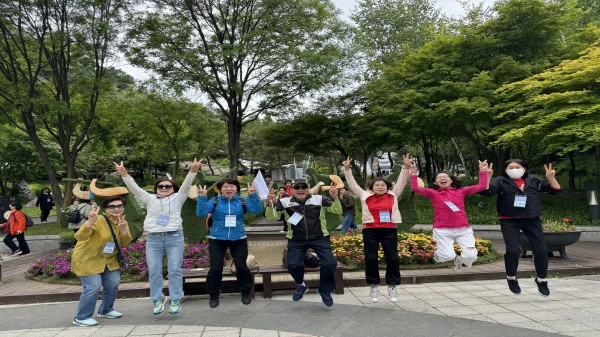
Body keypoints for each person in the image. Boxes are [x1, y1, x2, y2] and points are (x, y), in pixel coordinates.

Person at [115, 158, 201, 315]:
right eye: (160, 186)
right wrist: (125, 174)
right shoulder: (149, 198)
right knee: (154, 270)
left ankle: (175, 298)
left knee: (174, 269)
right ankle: (158, 299)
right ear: (156, 189)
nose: (164, 188)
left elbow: (186, 185)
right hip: (154, 238)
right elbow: (134, 189)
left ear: (172, 188)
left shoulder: (178, 198)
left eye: (167, 186)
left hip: (174, 237)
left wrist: (193, 171)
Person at [479, 159, 561, 297]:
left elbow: (556, 191)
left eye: (518, 167)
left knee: (541, 250)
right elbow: (486, 192)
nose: (515, 169)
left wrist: (551, 178)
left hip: (532, 219)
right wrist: (485, 177)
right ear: (505, 170)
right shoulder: (500, 180)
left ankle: (541, 280)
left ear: (525, 168)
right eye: (511, 167)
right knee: (513, 250)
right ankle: (511, 277)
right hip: (509, 220)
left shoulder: (533, 180)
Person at [343, 155, 411, 303]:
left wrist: (405, 168)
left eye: (383, 185)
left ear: (387, 187)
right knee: (371, 258)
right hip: (370, 230)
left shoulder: (393, 195)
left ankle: (392, 286)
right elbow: (353, 184)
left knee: (392, 258)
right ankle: (374, 285)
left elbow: (401, 182)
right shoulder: (364, 195)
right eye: (377, 185)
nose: (380, 187)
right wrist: (347, 169)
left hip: (389, 230)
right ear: (371, 187)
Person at [265, 178, 342, 307]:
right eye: (297, 187)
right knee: (293, 264)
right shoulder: (284, 202)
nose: (300, 190)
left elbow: (337, 211)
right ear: (292, 189)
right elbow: (271, 217)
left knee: (330, 263)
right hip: (296, 239)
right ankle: (301, 285)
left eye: (303, 187)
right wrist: (270, 204)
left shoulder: (319, 199)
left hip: (319, 237)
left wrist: (335, 198)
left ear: (308, 188)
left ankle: (324, 290)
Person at [409, 160, 490, 273]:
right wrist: (413, 175)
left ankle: (458, 260)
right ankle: (437, 255)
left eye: (446, 176)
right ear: (435, 182)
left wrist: (483, 171)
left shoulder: (461, 191)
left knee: (471, 256)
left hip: (463, 230)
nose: (443, 178)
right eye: (439, 177)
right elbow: (415, 188)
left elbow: (481, 186)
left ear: (451, 180)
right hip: (442, 230)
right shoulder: (433, 193)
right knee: (447, 256)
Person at [196, 179, 263, 308]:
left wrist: (253, 195)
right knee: (215, 268)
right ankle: (214, 294)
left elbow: (257, 209)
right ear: (220, 189)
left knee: (242, 267)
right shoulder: (215, 201)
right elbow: (201, 212)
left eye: (232, 186)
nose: (229, 189)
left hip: (238, 238)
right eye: (226, 187)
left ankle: (245, 292)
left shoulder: (242, 201)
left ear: (236, 189)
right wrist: (202, 197)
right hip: (217, 238)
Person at [71, 197, 132, 327]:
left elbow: (126, 242)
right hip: (88, 258)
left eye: (119, 206)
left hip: (109, 260)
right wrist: (89, 222)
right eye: (112, 206)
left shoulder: (122, 222)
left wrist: (123, 230)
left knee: (113, 284)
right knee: (93, 286)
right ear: (106, 208)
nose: (116, 209)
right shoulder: (98, 220)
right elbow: (79, 237)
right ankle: (81, 317)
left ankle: (106, 310)